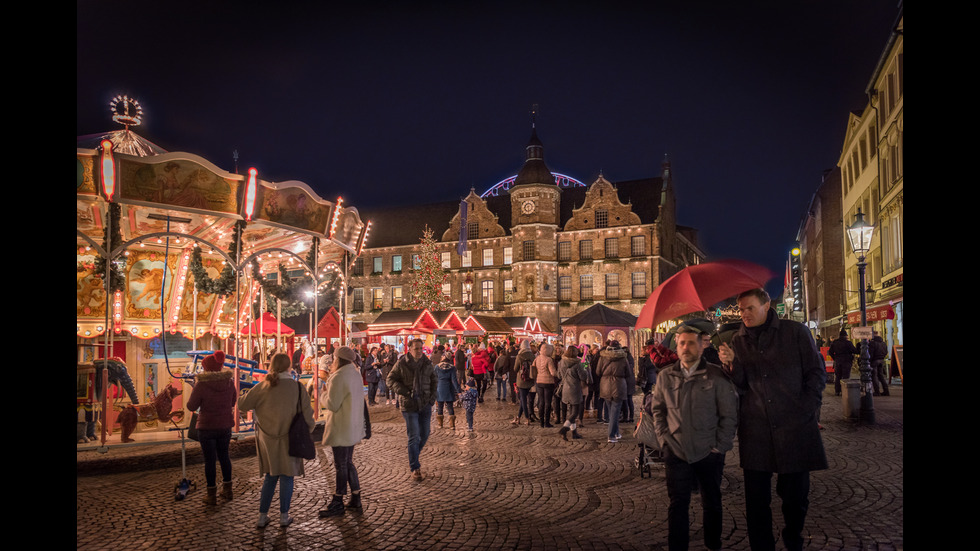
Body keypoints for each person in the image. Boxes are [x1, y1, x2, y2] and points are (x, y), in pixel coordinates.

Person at [719, 288, 827, 551]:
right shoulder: (738, 341)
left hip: (794, 426)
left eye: (750, 308)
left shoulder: (795, 332)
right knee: (756, 500)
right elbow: (743, 384)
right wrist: (733, 365)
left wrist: (806, 409)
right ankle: (762, 546)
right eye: (741, 309)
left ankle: (793, 537)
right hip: (756, 429)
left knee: (795, 496)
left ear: (767, 305)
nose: (744, 314)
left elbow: (816, 373)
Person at [651, 326, 738, 551]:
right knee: (678, 505)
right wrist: (664, 440)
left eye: (691, 343)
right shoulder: (665, 376)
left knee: (712, 502)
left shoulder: (716, 375)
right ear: (676, 347)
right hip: (676, 451)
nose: (686, 347)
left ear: (701, 346)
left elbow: (729, 414)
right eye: (682, 343)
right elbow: (658, 410)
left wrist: (720, 446)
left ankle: (713, 544)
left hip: (709, 452)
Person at [238, 353, 315, 528]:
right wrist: (306, 432)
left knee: (270, 476)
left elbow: (242, 404)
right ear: (289, 367)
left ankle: (262, 516)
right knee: (287, 476)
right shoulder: (297, 387)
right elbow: (308, 416)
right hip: (291, 439)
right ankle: (283, 516)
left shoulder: (263, 386)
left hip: (268, 439)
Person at [318, 347, 368, 518]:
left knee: (341, 465)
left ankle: (338, 501)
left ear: (339, 359)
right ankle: (356, 496)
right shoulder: (354, 374)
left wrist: (322, 394)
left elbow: (332, 404)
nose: (332, 361)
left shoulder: (339, 377)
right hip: (352, 425)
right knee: (347, 462)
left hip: (341, 427)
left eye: (334, 358)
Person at [186, 350, 237, 505]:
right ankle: (228, 490)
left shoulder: (202, 384)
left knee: (210, 461)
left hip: (207, 427)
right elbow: (233, 401)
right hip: (225, 425)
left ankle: (211, 494)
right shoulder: (229, 383)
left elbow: (191, 406)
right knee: (224, 457)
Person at [387, 338, 437, 481]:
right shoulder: (402, 363)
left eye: (421, 348)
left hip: (425, 404)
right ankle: (415, 467)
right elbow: (390, 380)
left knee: (425, 434)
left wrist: (432, 399)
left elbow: (434, 380)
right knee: (414, 436)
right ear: (409, 349)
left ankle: (413, 453)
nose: (419, 351)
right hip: (409, 405)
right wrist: (404, 391)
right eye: (416, 348)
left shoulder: (427, 363)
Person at [598, 340, 629, 443]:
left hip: (605, 385)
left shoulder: (603, 358)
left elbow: (598, 371)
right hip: (618, 385)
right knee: (615, 412)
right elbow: (628, 373)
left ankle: (616, 433)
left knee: (612, 411)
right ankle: (611, 435)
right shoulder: (623, 358)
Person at [557, 345, 589, 440]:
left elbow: (558, 375)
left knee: (571, 411)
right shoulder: (578, 363)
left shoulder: (562, 362)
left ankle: (574, 433)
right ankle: (564, 428)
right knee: (575, 412)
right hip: (574, 389)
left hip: (565, 389)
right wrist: (585, 368)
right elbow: (583, 376)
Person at [512, 340, 536, 425]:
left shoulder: (519, 356)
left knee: (523, 400)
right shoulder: (532, 355)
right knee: (523, 399)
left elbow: (515, 369)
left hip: (521, 380)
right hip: (530, 380)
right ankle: (518, 417)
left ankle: (527, 418)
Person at [534, 342, 558, 428]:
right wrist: (558, 374)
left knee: (541, 401)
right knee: (548, 402)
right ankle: (546, 422)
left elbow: (533, 368)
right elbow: (553, 373)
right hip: (548, 382)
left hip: (539, 381)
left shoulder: (537, 358)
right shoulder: (549, 359)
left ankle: (541, 421)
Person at [435, 354, 461, 431]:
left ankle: (440, 424)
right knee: (450, 406)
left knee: (440, 406)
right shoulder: (452, 368)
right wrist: (458, 390)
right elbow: (454, 380)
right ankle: (452, 425)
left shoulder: (437, 367)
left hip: (439, 388)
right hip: (449, 388)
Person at [828, 330, 858, 396]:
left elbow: (830, 352)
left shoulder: (835, 343)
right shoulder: (848, 343)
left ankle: (837, 391)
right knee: (846, 376)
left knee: (838, 376)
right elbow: (855, 351)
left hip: (838, 361)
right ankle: (844, 391)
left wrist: (835, 358)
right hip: (847, 361)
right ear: (846, 336)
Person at [870, 331, 890, 396]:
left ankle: (877, 391)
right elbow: (886, 352)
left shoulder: (872, 343)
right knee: (881, 376)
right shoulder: (883, 343)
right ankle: (886, 390)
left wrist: (870, 361)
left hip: (874, 361)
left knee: (874, 376)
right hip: (881, 360)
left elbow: (871, 354)